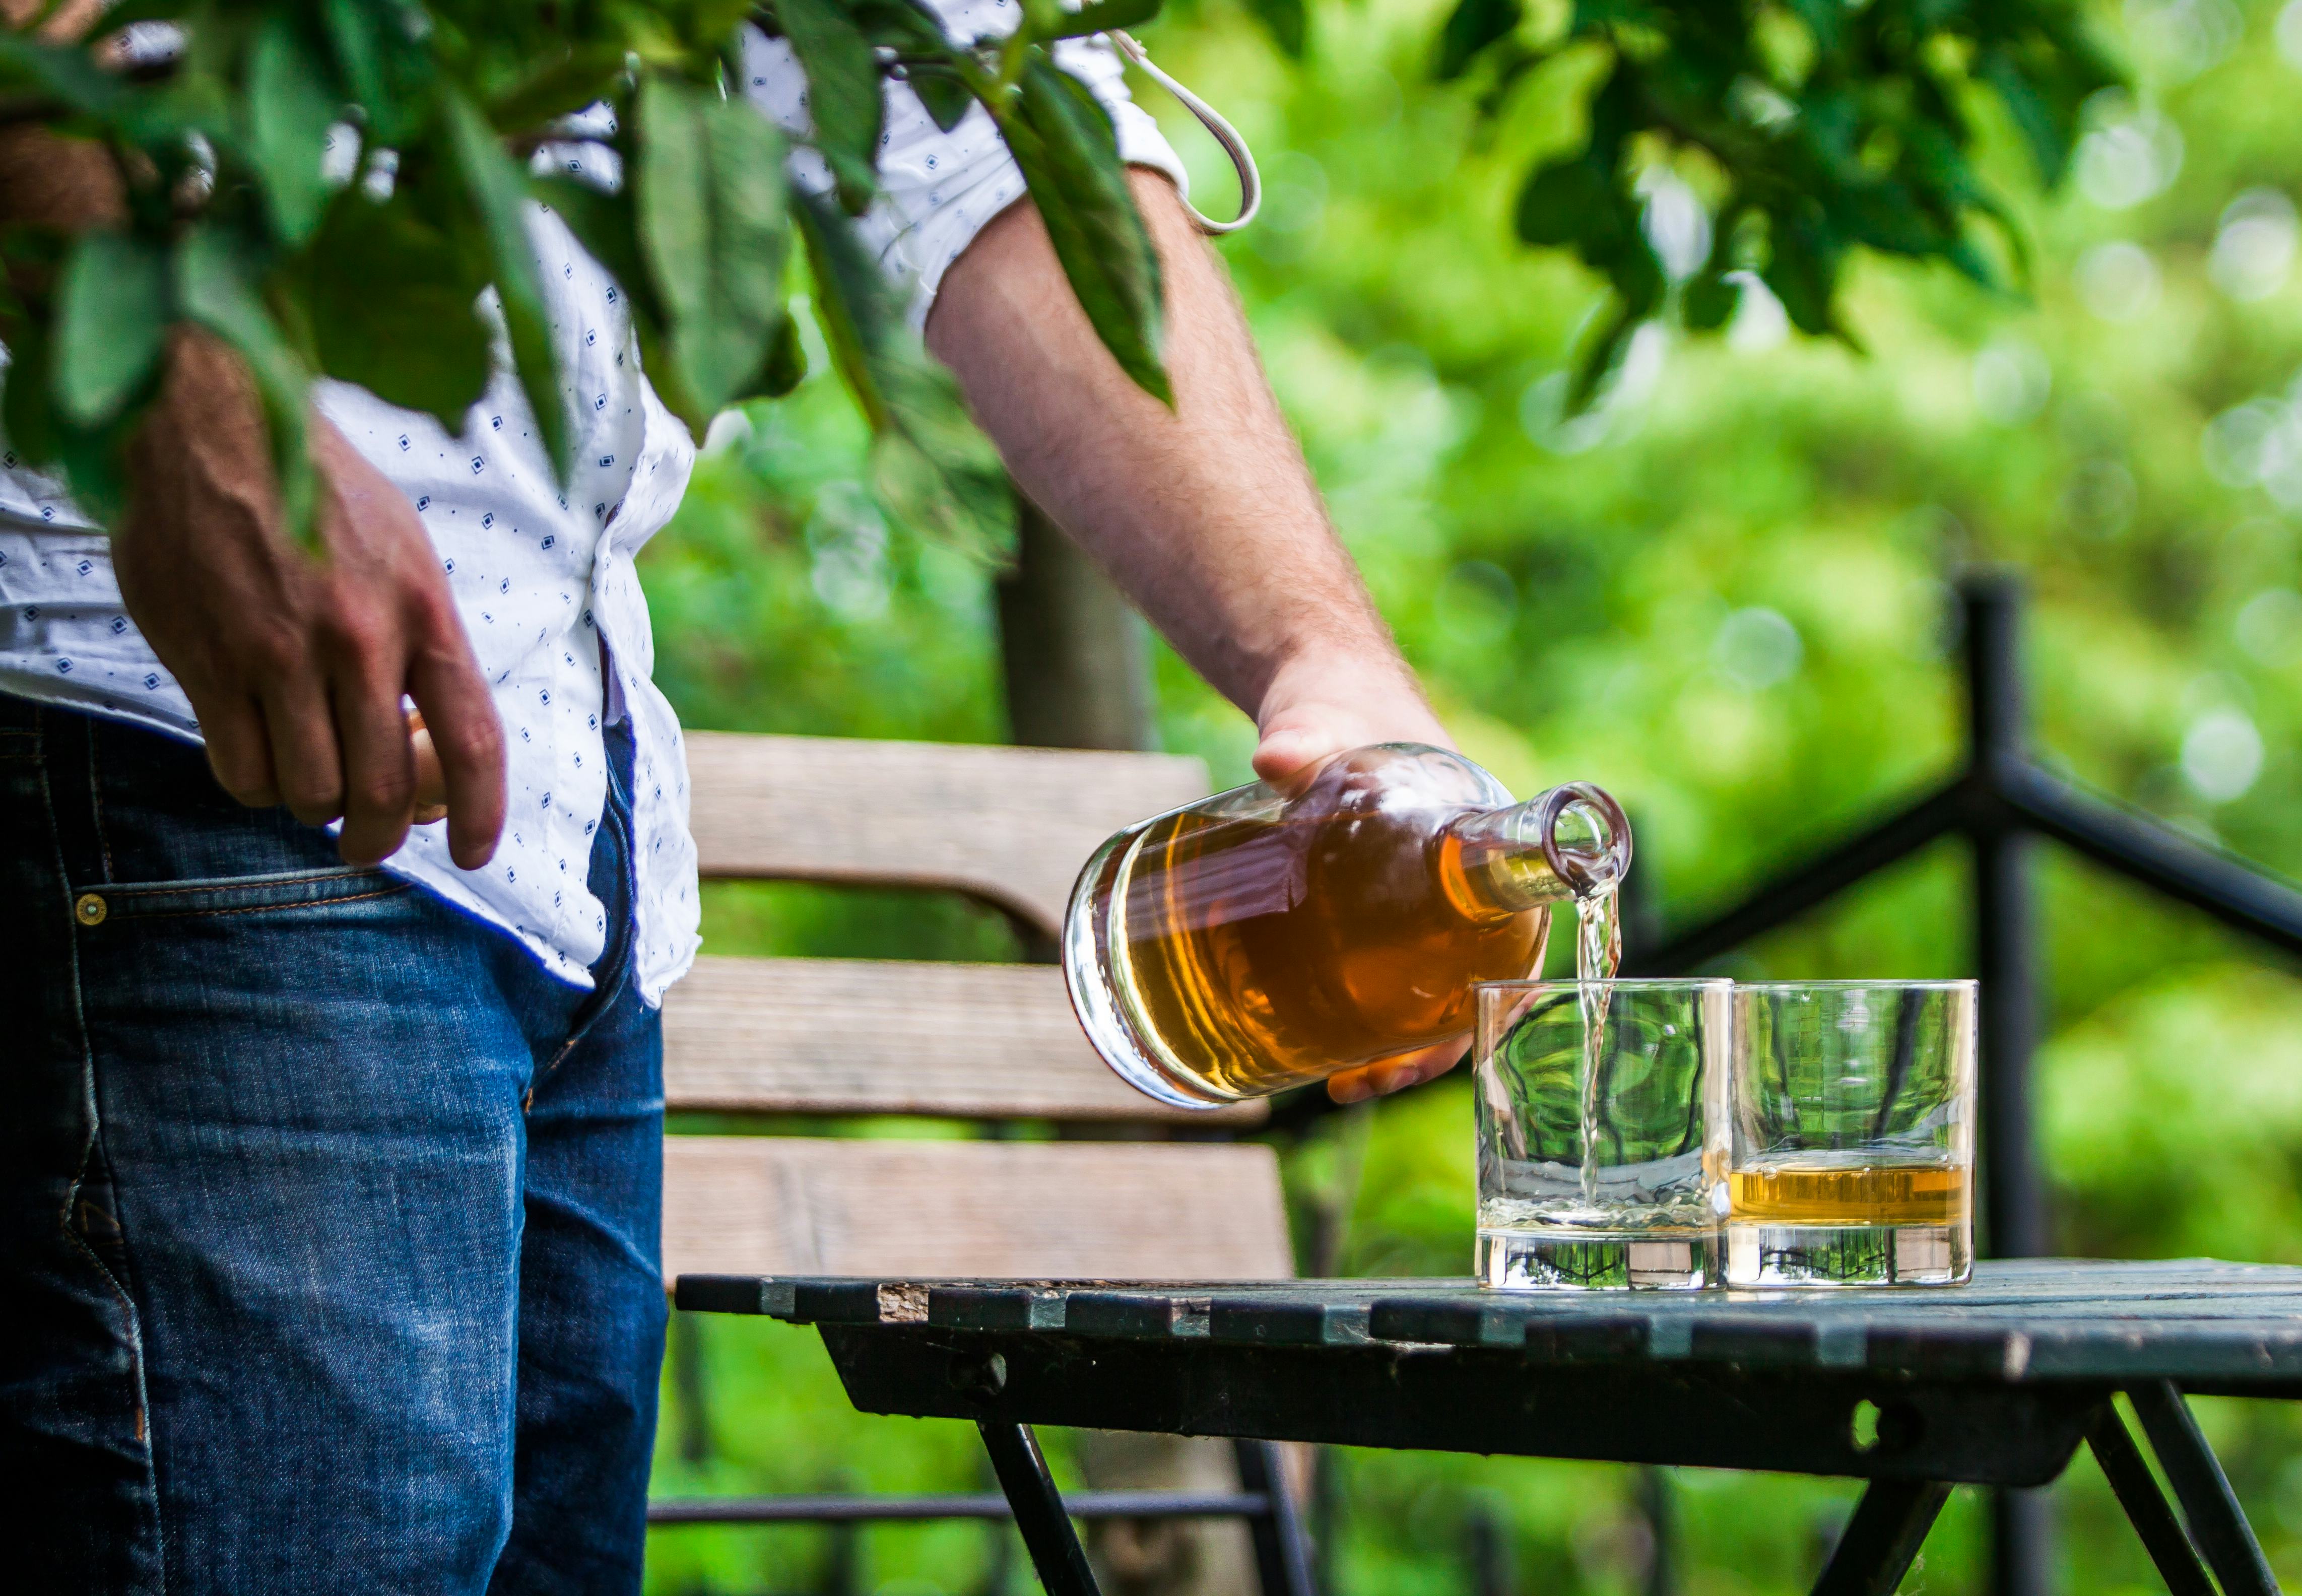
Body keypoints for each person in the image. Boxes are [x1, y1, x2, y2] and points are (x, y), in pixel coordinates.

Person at [0, 5, 1449, 1590]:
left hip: (564, 836)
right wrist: (188, 392)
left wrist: (1326, 655)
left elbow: (956, 109)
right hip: (172, 718)